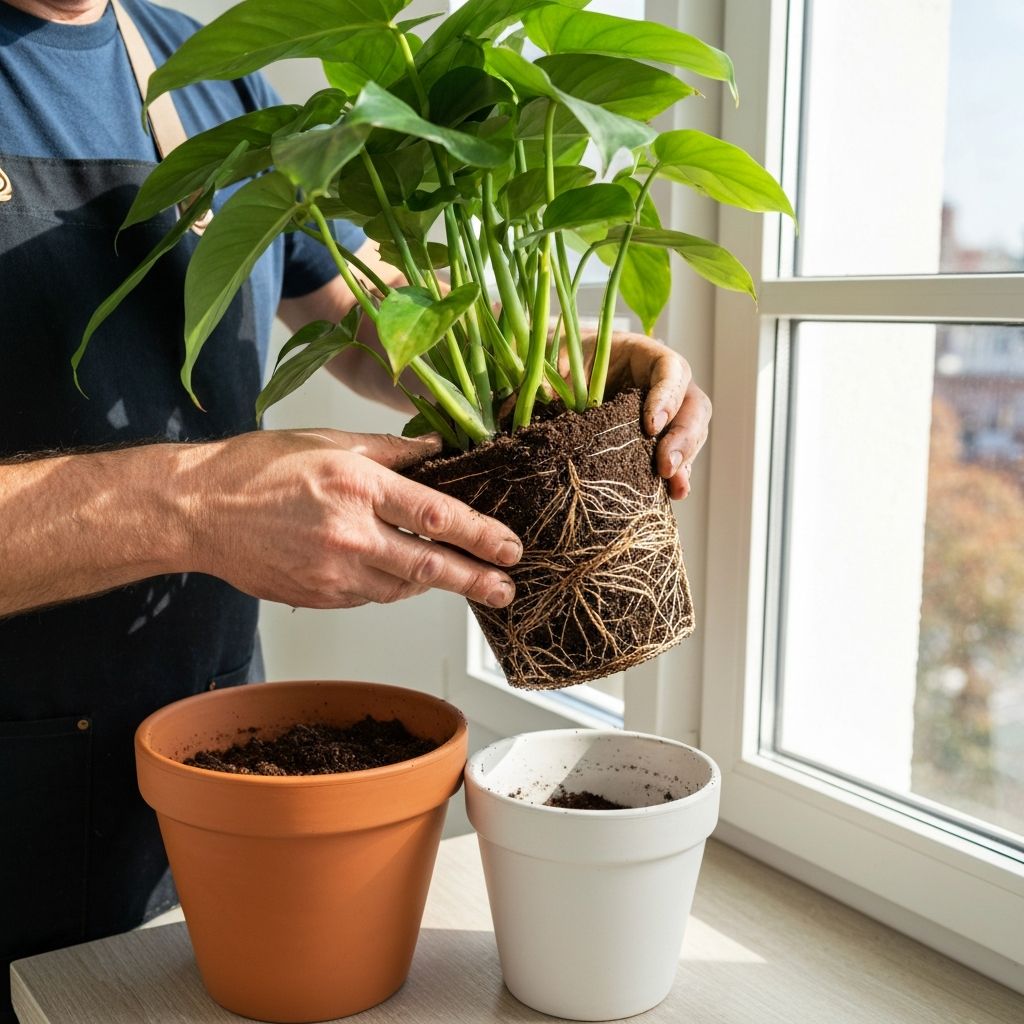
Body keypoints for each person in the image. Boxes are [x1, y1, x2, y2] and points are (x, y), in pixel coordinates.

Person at [0, 0, 712, 1017]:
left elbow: (371, 312)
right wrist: (192, 500)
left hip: (209, 783)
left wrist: (563, 373)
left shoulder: (202, 73)